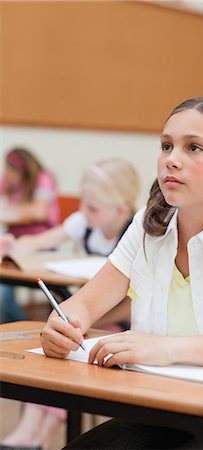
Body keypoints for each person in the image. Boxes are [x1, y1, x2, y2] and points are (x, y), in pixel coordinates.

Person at [40, 97, 203, 450]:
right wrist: (62, 324)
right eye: (166, 146)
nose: (171, 159)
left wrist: (168, 349)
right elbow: (84, 306)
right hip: (156, 413)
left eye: (194, 147)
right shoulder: (149, 227)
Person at [0, 158, 140, 450]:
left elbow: (132, 301)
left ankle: (37, 437)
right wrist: (12, 245)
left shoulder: (135, 233)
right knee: (51, 352)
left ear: (120, 210)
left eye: (92, 208)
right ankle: (29, 432)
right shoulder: (85, 221)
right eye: (82, 204)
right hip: (84, 318)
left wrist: (92, 320)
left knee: (71, 359)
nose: (83, 214)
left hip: (118, 324)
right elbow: (41, 242)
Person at [0, 147, 59, 323]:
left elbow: (39, 212)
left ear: (24, 172)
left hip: (40, 245)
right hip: (12, 246)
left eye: (12, 170)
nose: (7, 174)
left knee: (2, 297)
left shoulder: (42, 179)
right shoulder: (8, 180)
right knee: (3, 296)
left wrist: (9, 212)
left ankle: (24, 326)